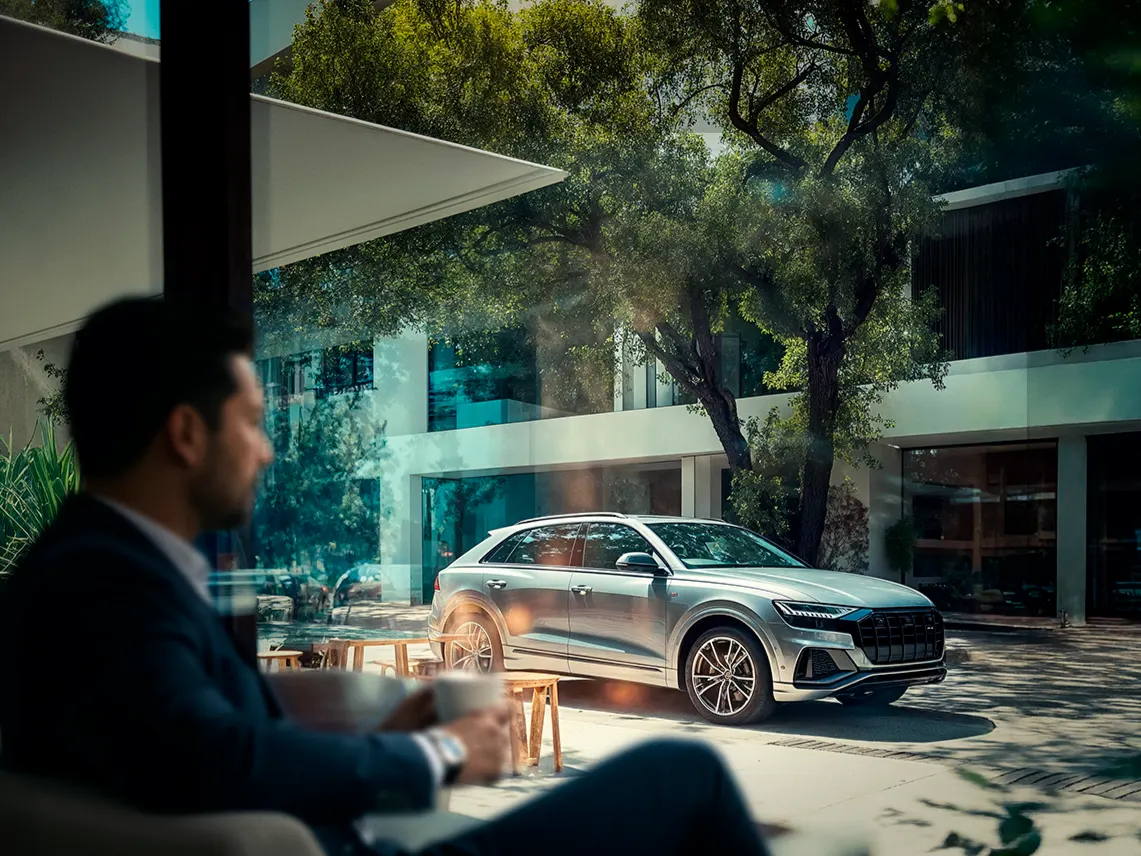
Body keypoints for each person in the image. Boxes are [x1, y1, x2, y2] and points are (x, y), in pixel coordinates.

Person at [0, 298, 772, 856]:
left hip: (336, 830)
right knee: (687, 772)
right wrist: (439, 755)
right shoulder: (105, 583)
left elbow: (179, 712)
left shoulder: (100, 564)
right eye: (252, 421)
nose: (266, 451)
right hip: (343, 844)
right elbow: (211, 759)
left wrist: (380, 713)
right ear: (187, 433)